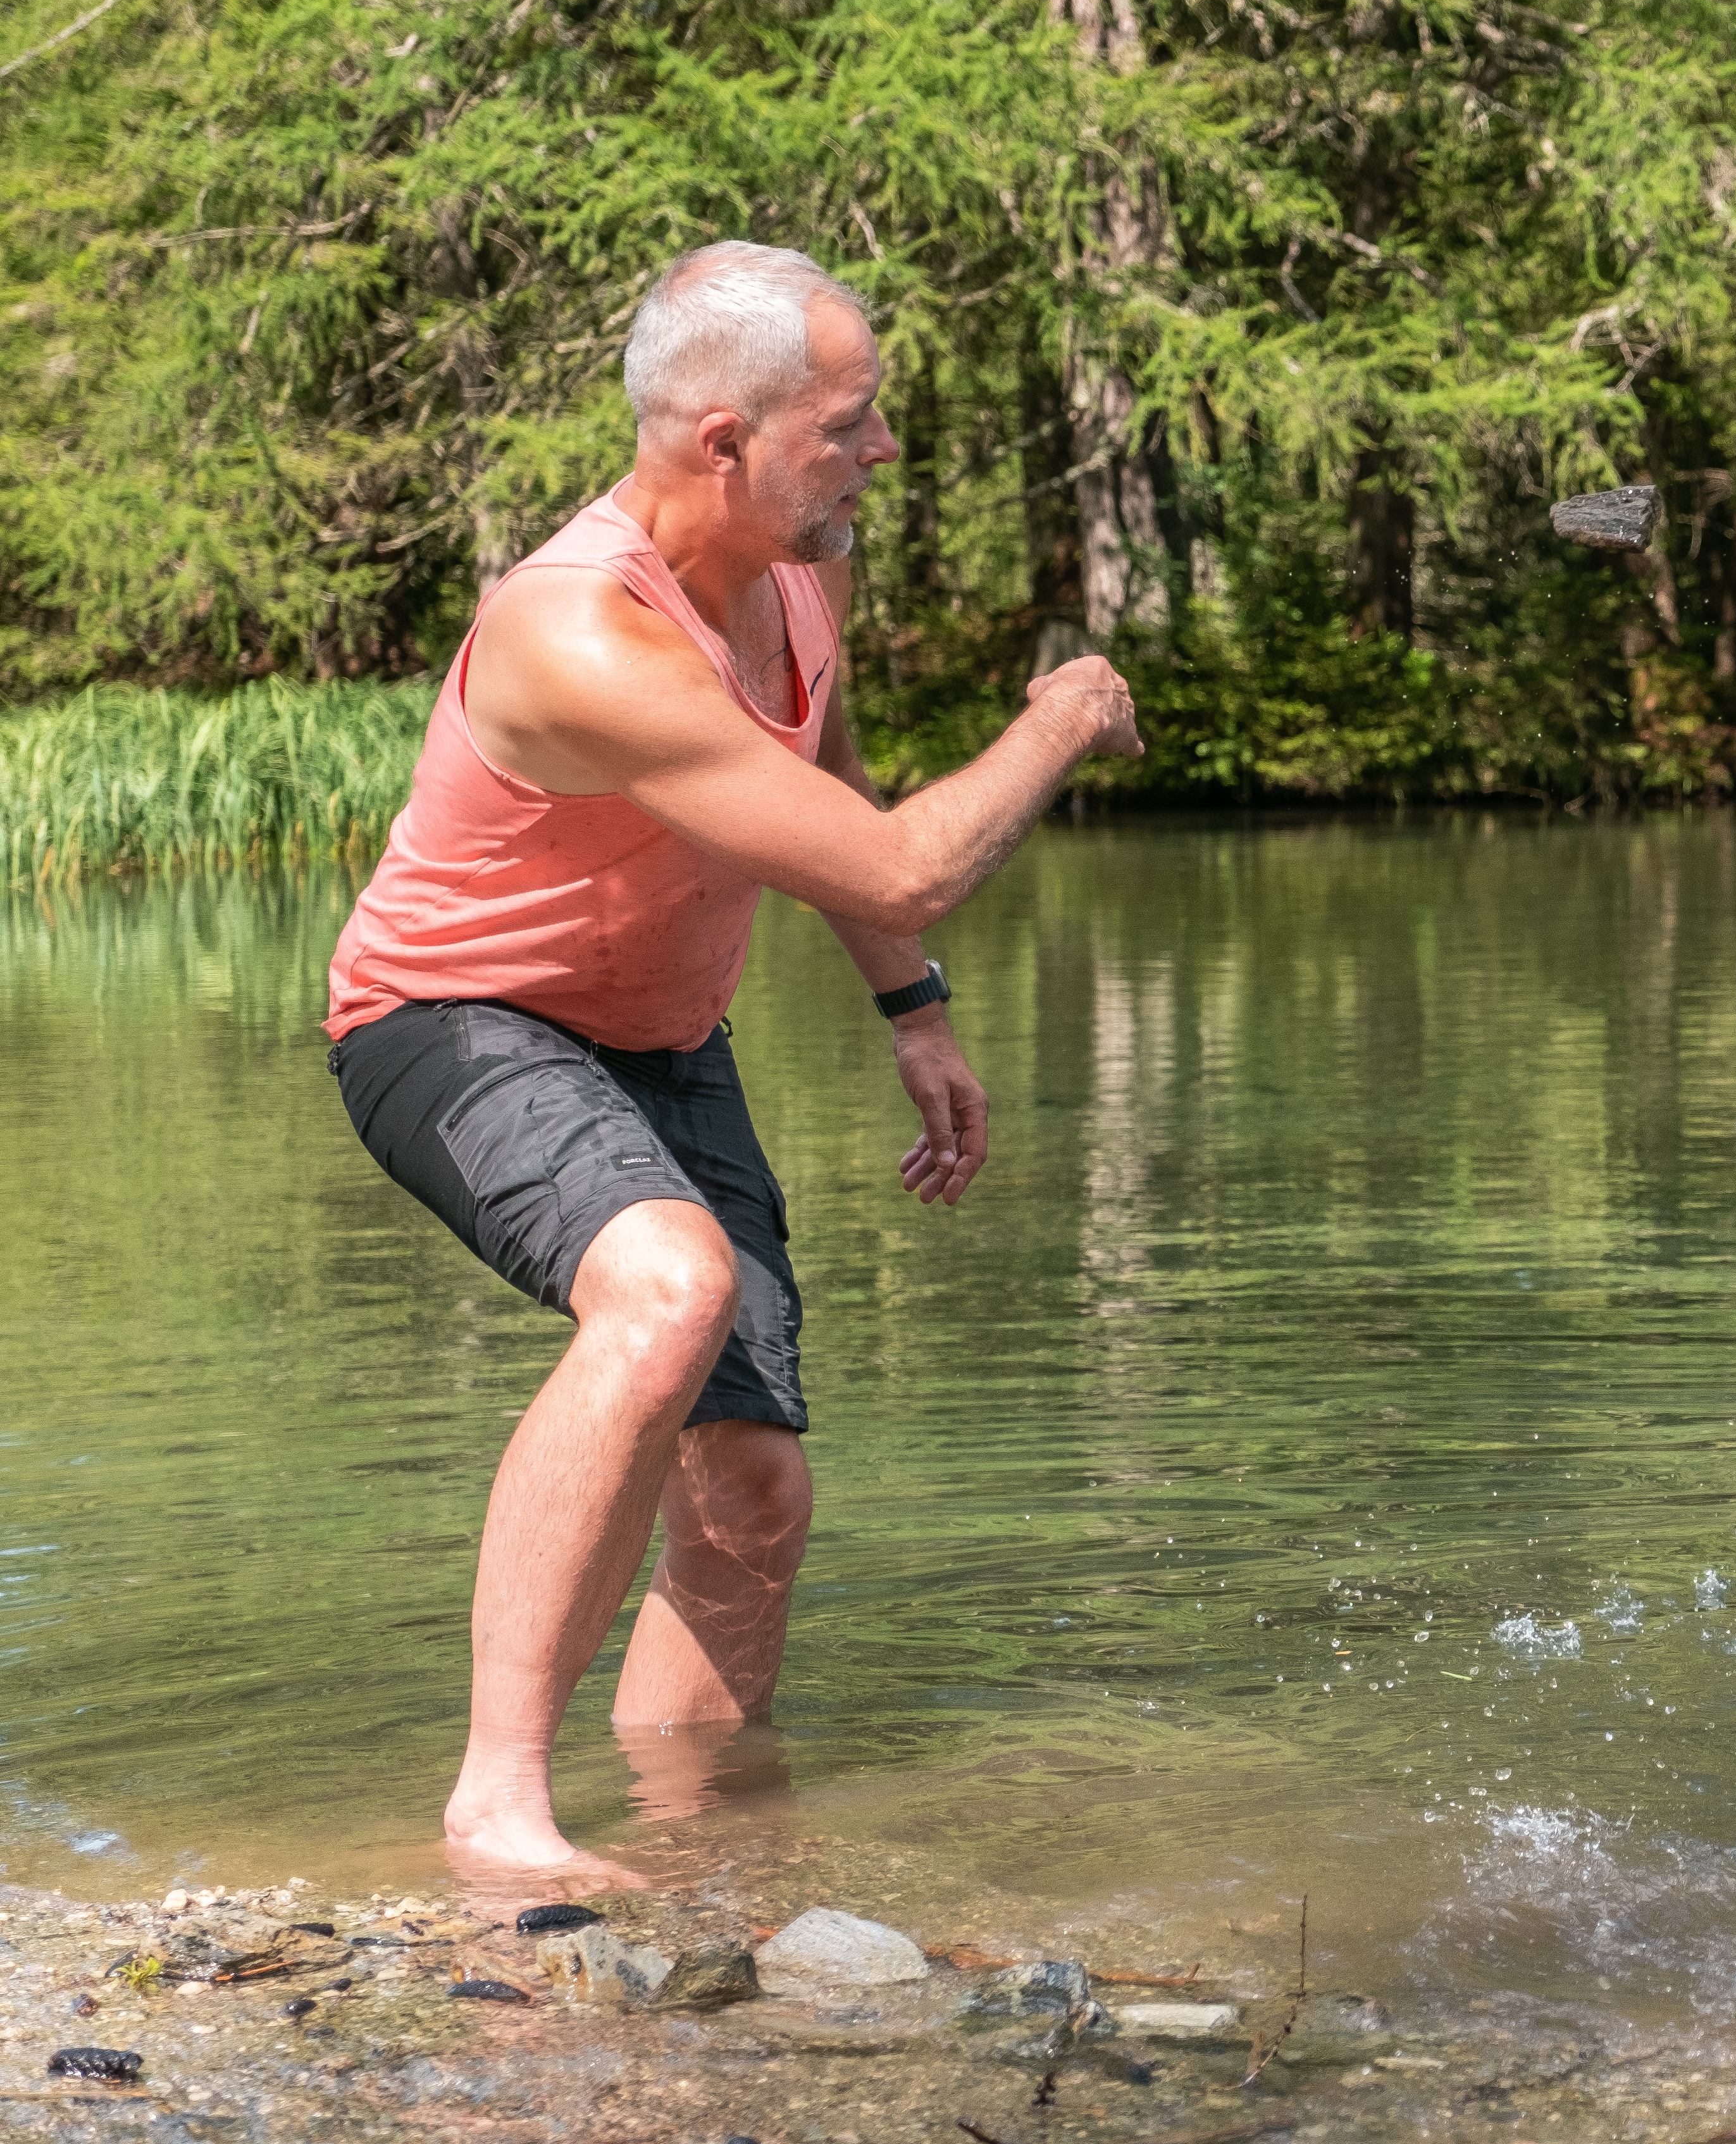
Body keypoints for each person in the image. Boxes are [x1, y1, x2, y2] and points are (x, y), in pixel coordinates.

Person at [323, 241, 1142, 1877]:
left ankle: (697, 1850)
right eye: (850, 425)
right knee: (668, 1290)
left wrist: (914, 1012)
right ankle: (499, 1808)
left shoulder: (800, 566)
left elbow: (830, 791)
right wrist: (1060, 718)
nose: (884, 451)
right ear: (724, 441)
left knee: (756, 1489)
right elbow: (905, 857)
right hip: (454, 1019)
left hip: (663, 1041)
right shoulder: (575, 633)